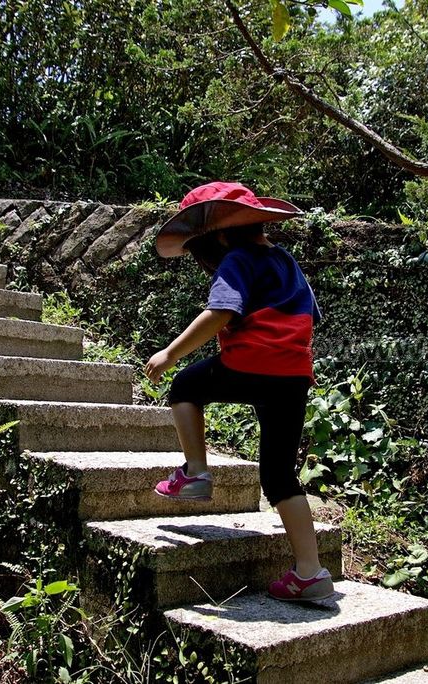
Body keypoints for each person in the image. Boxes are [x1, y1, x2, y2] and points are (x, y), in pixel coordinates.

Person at [143, 181, 334, 602]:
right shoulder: (286, 262)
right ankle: (310, 572)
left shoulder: (237, 258)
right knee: (279, 475)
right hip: (293, 376)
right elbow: (306, 317)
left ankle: (195, 473)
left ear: (221, 235)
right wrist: (299, 365)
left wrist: (170, 353)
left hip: (250, 364)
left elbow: (221, 311)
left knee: (186, 385)